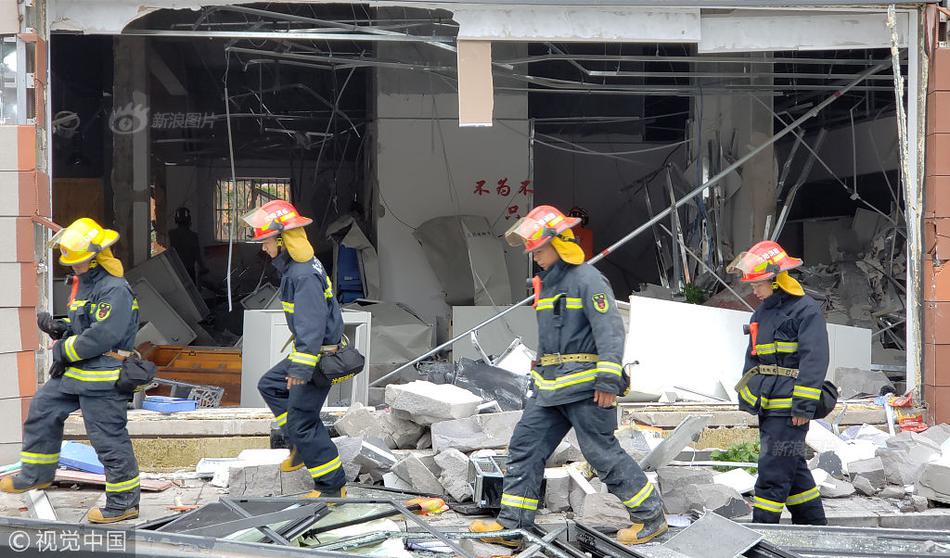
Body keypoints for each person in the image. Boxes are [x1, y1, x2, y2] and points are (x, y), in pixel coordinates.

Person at [470, 205, 667, 547]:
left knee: (601, 455)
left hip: (586, 388)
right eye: (532, 252)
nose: (536, 258)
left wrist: (608, 380)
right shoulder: (548, 285)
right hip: (550, 390)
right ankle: (513, 526)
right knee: (524, 448)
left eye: (540, 250)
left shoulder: (586, 279)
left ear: (560, 244)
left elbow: (610, 331)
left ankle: (651, 517)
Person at [0, 218, 141, 524]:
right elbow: (85, 327)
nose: (72, 267)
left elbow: (104, 335)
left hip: (103, 375)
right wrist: (60, 328)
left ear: (94, 257)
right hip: (78, 372)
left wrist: (62, 349)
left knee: (106, 438)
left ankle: (123, 502)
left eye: (76, 262)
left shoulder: (115, 289)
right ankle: (36, 474)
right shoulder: (87, 285)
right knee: (42, 407)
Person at [244, 200, 347, 497]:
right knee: (271, 385)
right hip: (313, 353)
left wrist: (301, 368)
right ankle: (301, 446)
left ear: (281, 239)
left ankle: (331, 486)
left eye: (265, 242)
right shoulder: (297, 267)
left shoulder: (302, 275)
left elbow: (312, 325)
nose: (263, 248)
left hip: (317, 357)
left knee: (303, 422)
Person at [727, 240, 828, 525]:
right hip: (769, 408)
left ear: (776, 279)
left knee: (773, 471)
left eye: (758, 284)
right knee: (793, 469)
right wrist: (748, 399)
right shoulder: (760, 314)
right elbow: (754, 361)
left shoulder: (805, 310)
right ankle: (814, 529)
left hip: (791, 410)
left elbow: (815, 360)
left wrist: (803, 407)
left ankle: (763, 533)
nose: (754, 290)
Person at [168, 206, 207, 284]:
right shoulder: (193, 236)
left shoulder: (171, 234)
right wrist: (203, 267)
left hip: (176, 269)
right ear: (189, 221)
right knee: (190, 292)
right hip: (189, 269)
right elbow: (197, 254)